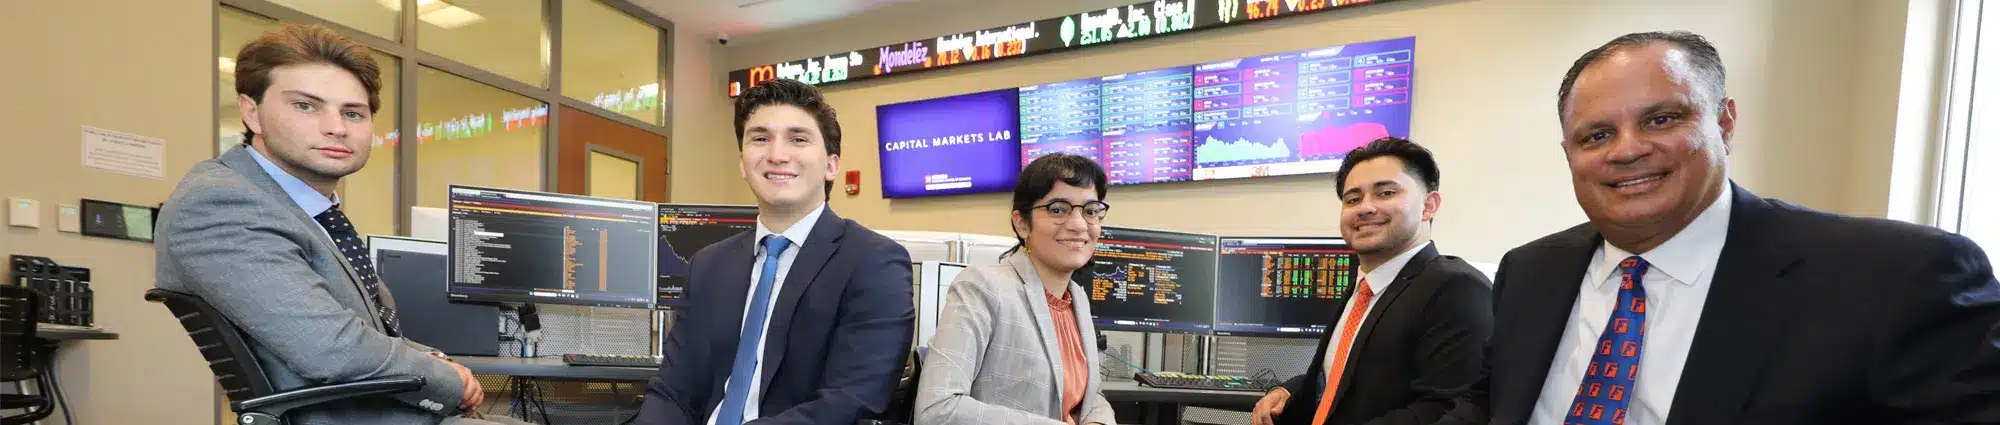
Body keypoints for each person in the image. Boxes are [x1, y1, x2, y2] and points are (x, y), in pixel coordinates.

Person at [1441, 31, 2000, 425]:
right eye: (1596, 136)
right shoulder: (1530, 269)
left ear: (1724, 123)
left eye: (1662, 119)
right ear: (1569, 154)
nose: (1628, 150)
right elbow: (1488, 403)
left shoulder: (1899, 279)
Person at [155, 22, 509, 425]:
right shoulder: (222, 203)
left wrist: (438, 362)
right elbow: (333, 349)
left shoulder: (301, 207)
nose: (337, 127)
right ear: (251, 111)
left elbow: (366, 330)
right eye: (306, 106)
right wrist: (449, 379)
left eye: (352, 113)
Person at [637, 78, 916, 425]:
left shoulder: (874, 262)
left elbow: (852, 401)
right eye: (760, 138)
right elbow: (672, 392)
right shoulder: (708, 266)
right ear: (742, 162)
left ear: (831, 165)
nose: (777, 155)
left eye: (798, 139)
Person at [1250, 138, 1494, 425]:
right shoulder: (1364, 286)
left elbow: (1448, 409)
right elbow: (1351, 379)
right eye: (1352, 199)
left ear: (1429, 205)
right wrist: (1288, 390)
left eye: (1385, 192)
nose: (1365, 208)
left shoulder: (1456, 288)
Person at [915, 153, 1118, 425]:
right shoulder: (982, 288)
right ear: (1022, 223)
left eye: (1090, 210)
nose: (1079, 225)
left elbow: (1091, 395)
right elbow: (938, 410)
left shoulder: (1076, 298)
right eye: (1058, 209)